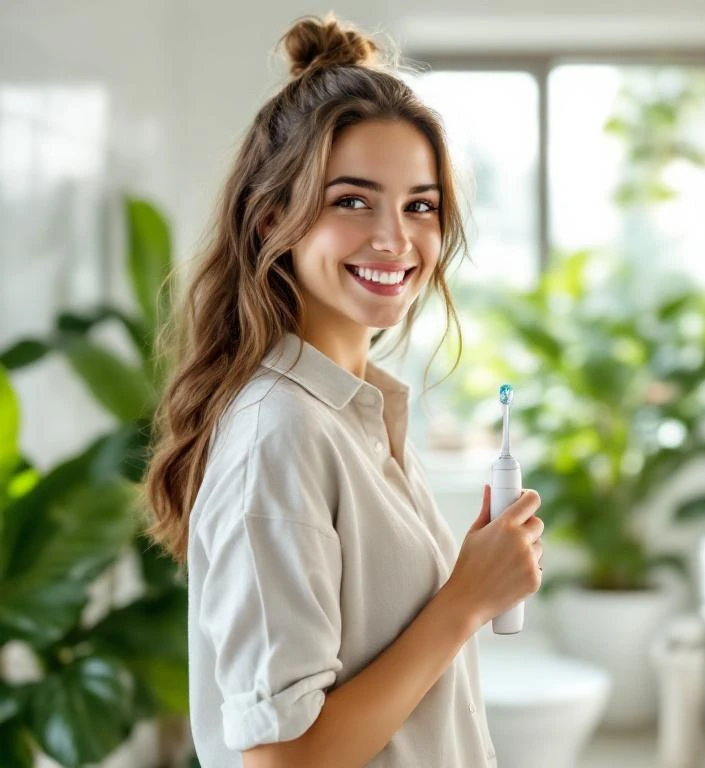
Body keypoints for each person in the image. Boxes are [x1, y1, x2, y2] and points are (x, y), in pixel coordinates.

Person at [143, 13, 544, 768]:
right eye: (353, 201)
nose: (395, 238)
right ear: (273, 220)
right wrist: (466, 602)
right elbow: (281, 760)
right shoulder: (280, 433)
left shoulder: (358, 415)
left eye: (420, 205)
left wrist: (473, 586)